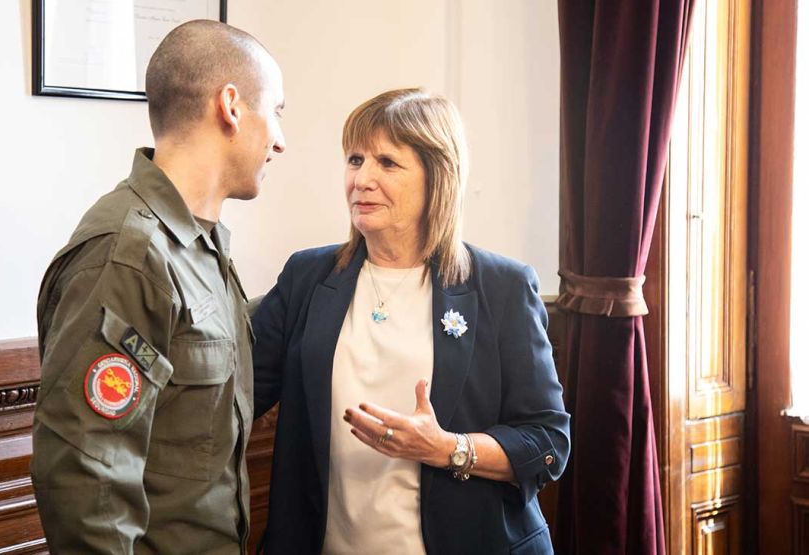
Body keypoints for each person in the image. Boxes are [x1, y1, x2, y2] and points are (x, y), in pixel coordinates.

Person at [252, 88, 569, 554]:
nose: (362, 179)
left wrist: (447, 448)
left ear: (437, 177)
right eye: (355, 160)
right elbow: (239, 397)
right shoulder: (307, 276)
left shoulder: (501, 286)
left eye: (387, 163)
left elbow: (547, 442)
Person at [30, 20, 286, 554]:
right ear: (232, 106)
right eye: (276, 112)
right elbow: (87, 485)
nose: (280, 141)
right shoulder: (129, 254)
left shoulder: (196, 247)